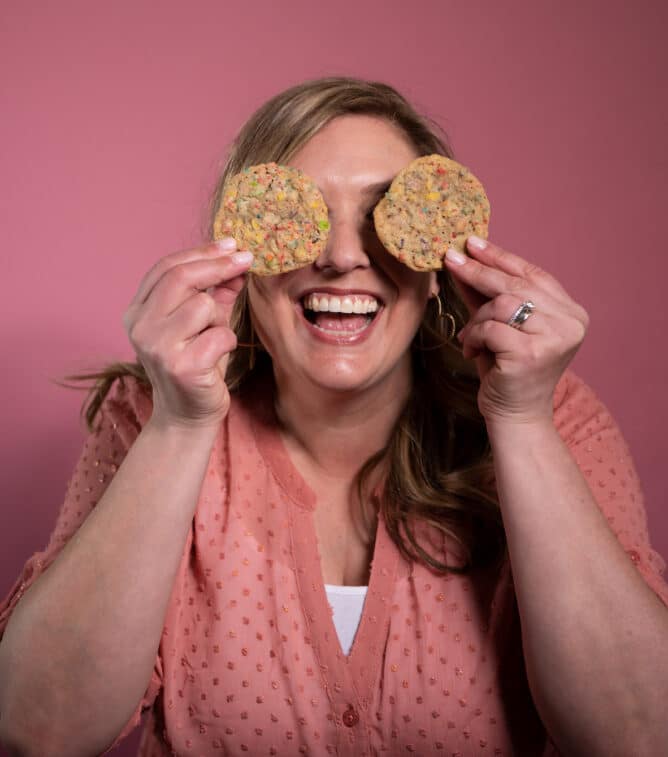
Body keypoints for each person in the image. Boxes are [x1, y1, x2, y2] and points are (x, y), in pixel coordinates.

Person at [0, 77, 666, 757]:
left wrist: (523, 424)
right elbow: (35, 727)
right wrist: (178, 425)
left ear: (438, 258)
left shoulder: (555, 419)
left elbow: (638, 736)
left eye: (382, 216)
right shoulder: (149, 415)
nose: (344, 257)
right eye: (304, 215)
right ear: (244, 247)